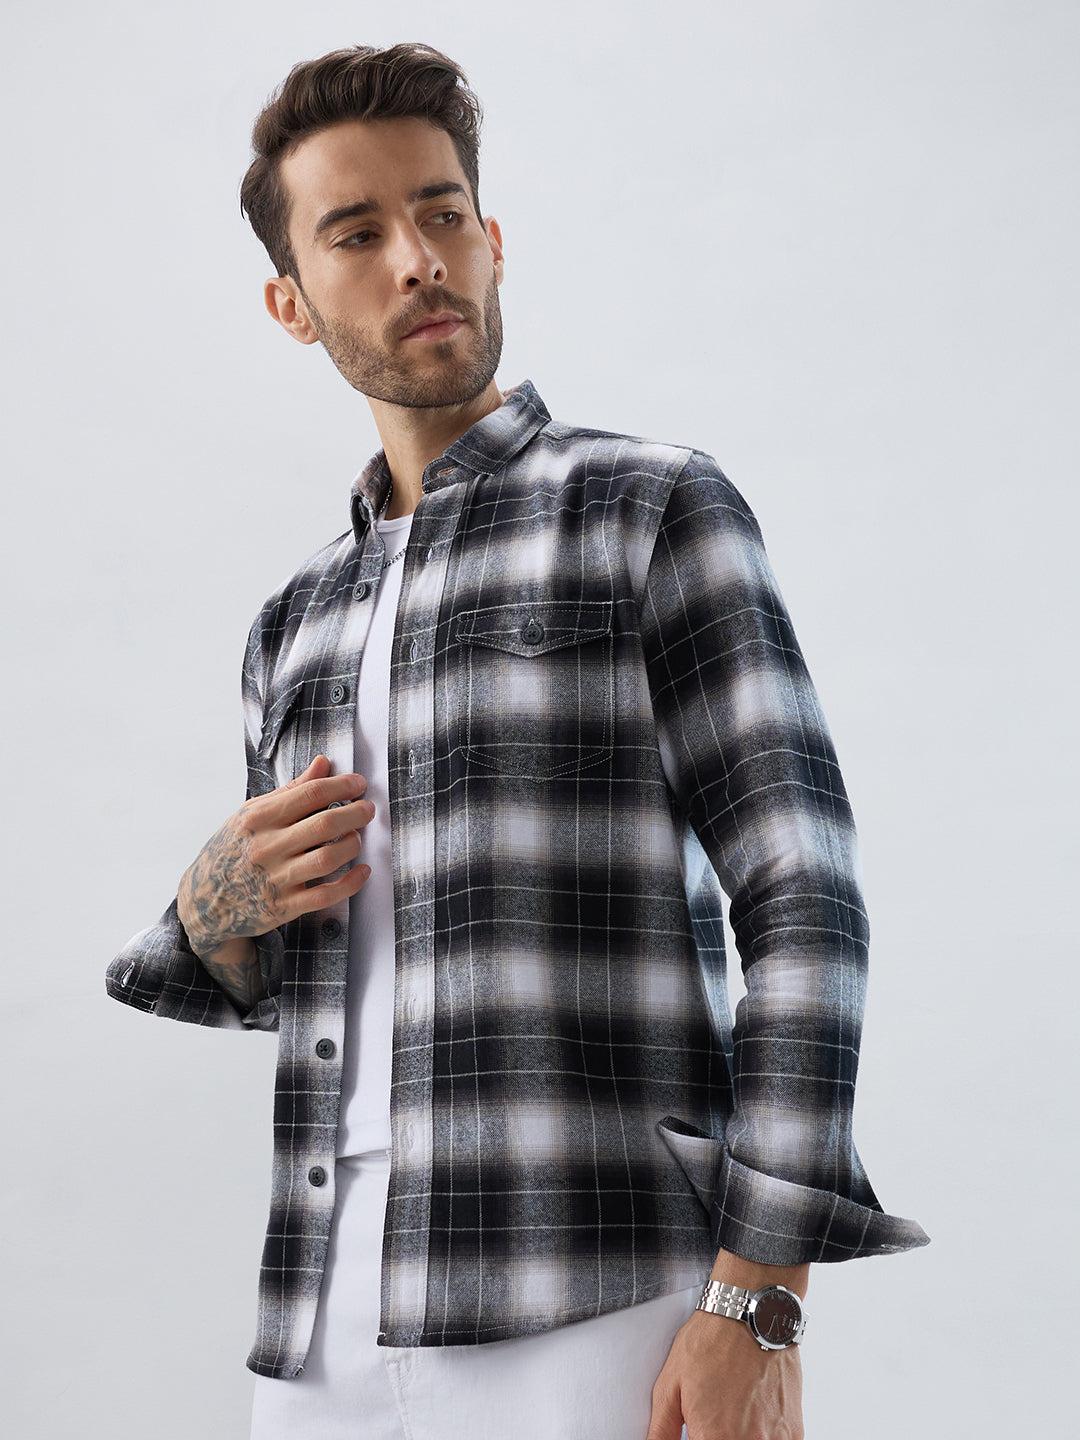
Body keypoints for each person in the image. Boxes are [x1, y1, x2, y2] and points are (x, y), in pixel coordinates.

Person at [106, 42, 927, 1440]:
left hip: (595, 1290)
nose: (418, 259)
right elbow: (315, 972)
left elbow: (805, 897)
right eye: (356, 233)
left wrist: (757, 1300)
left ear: (492, 239)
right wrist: (208, 916)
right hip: (318, 1321)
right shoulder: (291, 624)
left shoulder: (648, 508)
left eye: (441, 214)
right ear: (291, 302)